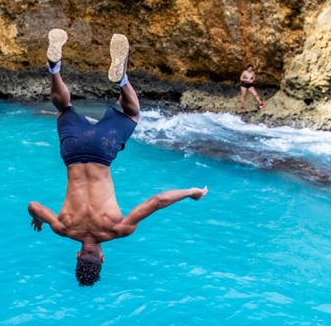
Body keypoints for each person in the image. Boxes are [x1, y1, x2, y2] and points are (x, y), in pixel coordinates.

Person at [27, 29, 208, 286]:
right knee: (63, 108)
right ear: (78, 255)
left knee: (133, 113)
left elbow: (157, 201)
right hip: (73, 152)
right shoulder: (62, 227)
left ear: (100, 258)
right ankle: (54, 68)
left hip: (102, 151)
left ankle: (122, 79)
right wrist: (38, 220)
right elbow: (33, 205)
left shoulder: (118, 229)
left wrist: (192, 191)